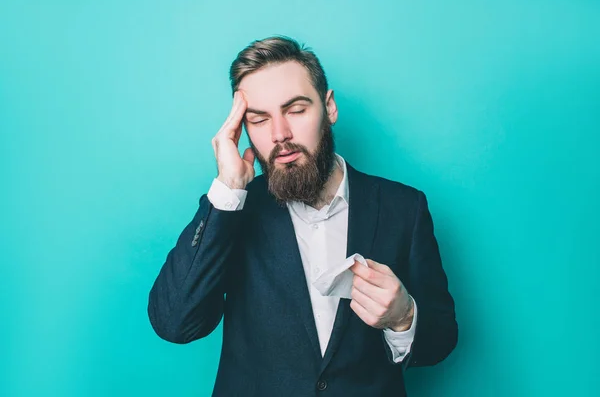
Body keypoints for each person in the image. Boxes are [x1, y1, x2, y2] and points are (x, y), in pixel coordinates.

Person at [147, 35, 458, 396]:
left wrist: (404, 317)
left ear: (329, 107)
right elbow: (174, 323)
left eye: (296, 110)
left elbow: (441, 341)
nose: (280, 135)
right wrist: (227, 189)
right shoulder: (235, 210)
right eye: (259, 120)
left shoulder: (404, 207)